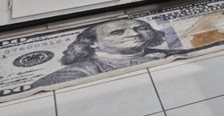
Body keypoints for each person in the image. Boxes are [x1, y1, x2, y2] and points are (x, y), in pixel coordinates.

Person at [32, 18, 174, 86]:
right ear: (92, 43)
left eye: (141, 28)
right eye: (117, 32)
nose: (133, 34)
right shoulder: (76, 73)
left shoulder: (175, 53)